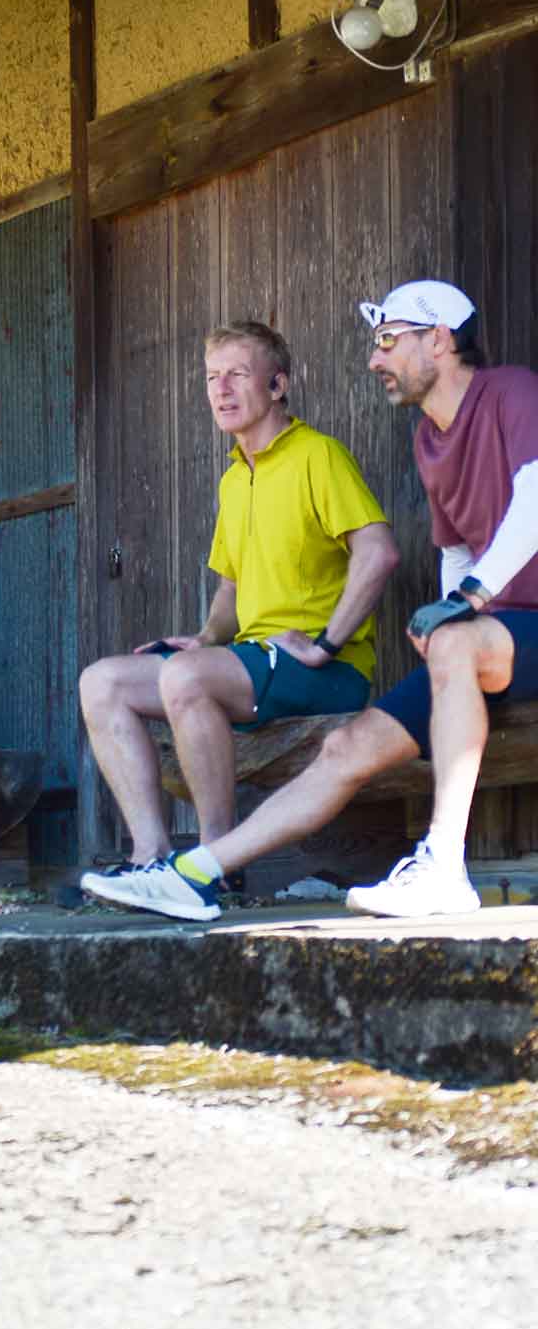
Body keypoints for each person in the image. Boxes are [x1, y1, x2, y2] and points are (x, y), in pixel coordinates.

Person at [86, 280, 538, 921]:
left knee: (451, 640)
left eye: (388, 340)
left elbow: (529, 501)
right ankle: (189, 873)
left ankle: (443, 866)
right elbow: (457, 550)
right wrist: (451, 612)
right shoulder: (427, 439)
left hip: (462, 638)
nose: (374, 359)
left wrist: (457, 606)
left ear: (439, 338)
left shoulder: (511, 392)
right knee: (343, 747)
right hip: (487, 641)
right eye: (211, 377)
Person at [79, 320, 400, 921]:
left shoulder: (318, 455)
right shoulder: (235, 478)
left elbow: (378, 553)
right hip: (254, 660)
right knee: (102, 682)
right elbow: (231, 586)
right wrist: (204, 638)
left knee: (186, 678)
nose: (221, 390)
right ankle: (151, 856)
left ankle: (211, 865)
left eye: (237, 375)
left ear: (278, 385)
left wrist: (328, 644)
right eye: (211, 378)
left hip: (325, 671)